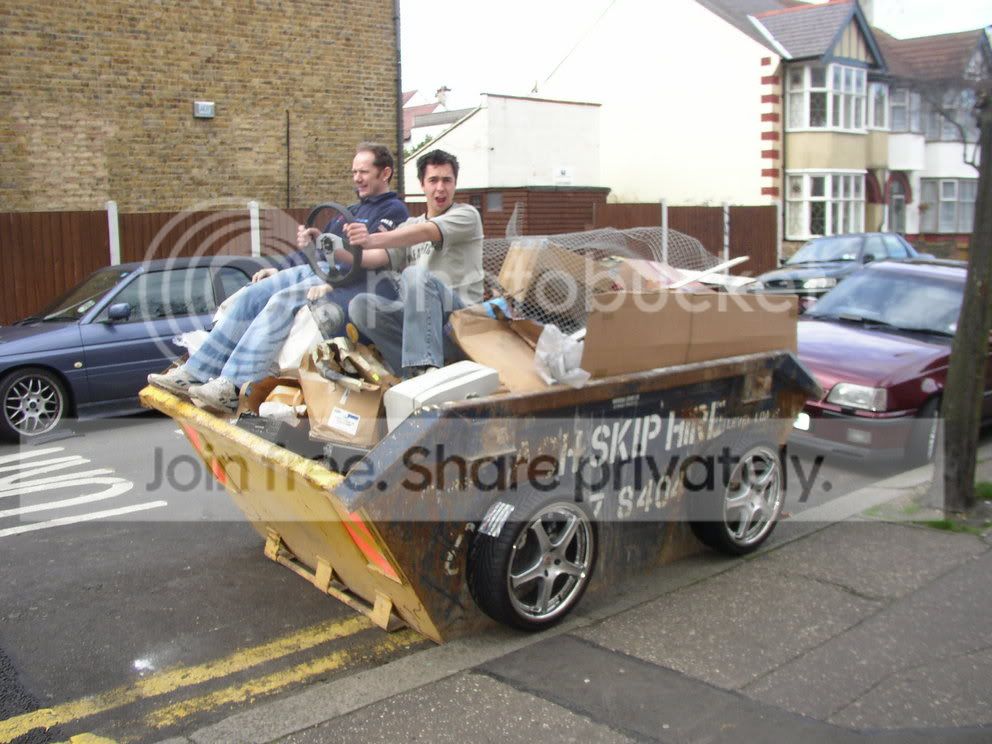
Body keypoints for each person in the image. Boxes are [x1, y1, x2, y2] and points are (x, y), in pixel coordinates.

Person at [148, 142, 408, 412]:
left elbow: (373, 259)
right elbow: (318, 250)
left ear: (385, 173)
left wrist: (330, 279)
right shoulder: (348, 212)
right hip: (322, 269)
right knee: (253, 294)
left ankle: (233, 385)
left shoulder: (394, 211)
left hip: (351, 282)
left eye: (363, 172)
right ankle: (195, 372)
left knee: (282, 300)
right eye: (354, 172)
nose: (357, 178)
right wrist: (281, 268)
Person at [345, 149, 483, 377]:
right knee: (360, 305)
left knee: (414, 274)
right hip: (425, 328)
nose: (440, 188)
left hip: (462, 324)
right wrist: (328, 248)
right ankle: (409, 375)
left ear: (455, 184)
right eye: (433, 180)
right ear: (422, 185)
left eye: (447, 180)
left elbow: (426, 232)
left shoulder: (467, 215)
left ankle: (425, 369)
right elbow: (374, 258)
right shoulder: (410, 225)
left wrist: (370, 239)